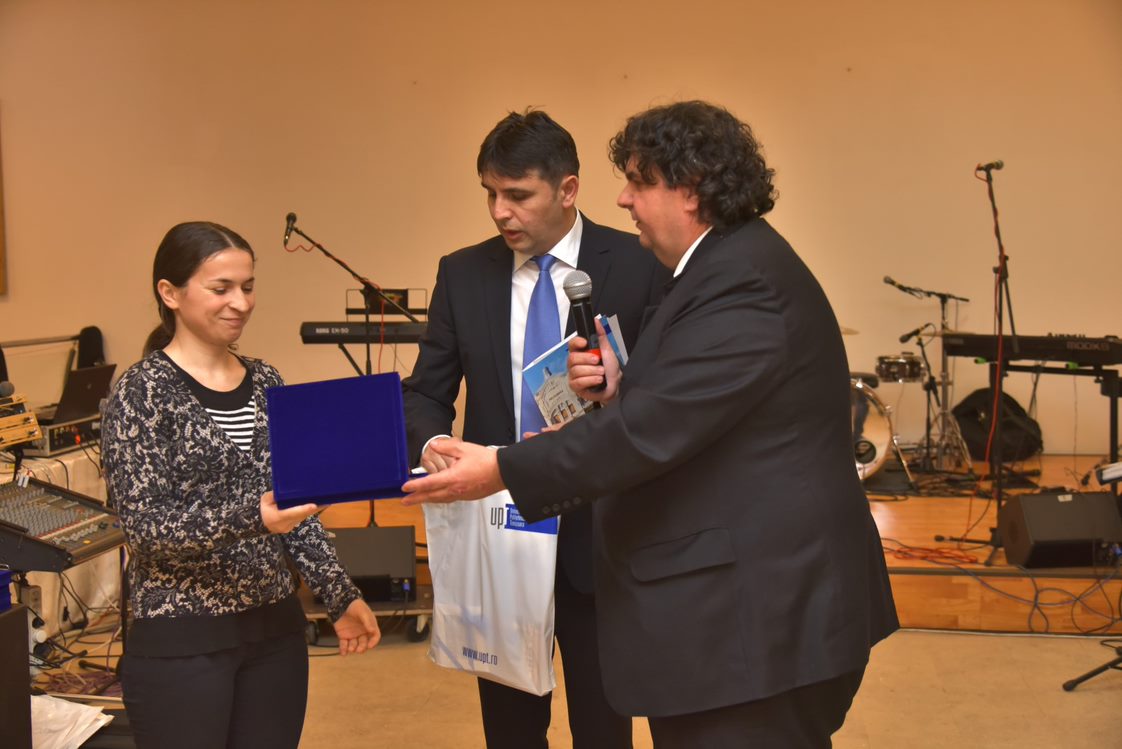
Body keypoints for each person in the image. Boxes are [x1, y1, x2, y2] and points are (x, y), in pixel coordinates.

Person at [401, 101, 899, 748]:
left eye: (638, 182)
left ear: (689, 189)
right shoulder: (720, 265)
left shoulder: (738, 282)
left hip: (757, 625)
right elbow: (680, 404)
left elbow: (647, 431)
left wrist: (498, 467)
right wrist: (620, 387)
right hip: (734, 616)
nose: (624, 198)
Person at [402, 110, 666, 748]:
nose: (501, 212)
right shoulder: (463, 273)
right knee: (511, 729)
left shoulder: (639, 263)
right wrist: (434, 444)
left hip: (602, 532)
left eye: (518, 195)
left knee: (604, 725)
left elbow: (665, 396)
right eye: (490, 194)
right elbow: (426, 392)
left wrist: (619, 386)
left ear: (568, 189)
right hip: (502, 527)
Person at [101, 221, 381, 749]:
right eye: (221, 288)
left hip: (274, 631)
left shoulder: (267, 381)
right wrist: (254, 517)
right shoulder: (141, 392)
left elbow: (295, 506)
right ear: (170, 293)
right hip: (182, 639)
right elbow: (146, 529)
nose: (241, 302)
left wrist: (340, 595)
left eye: (248, 286)